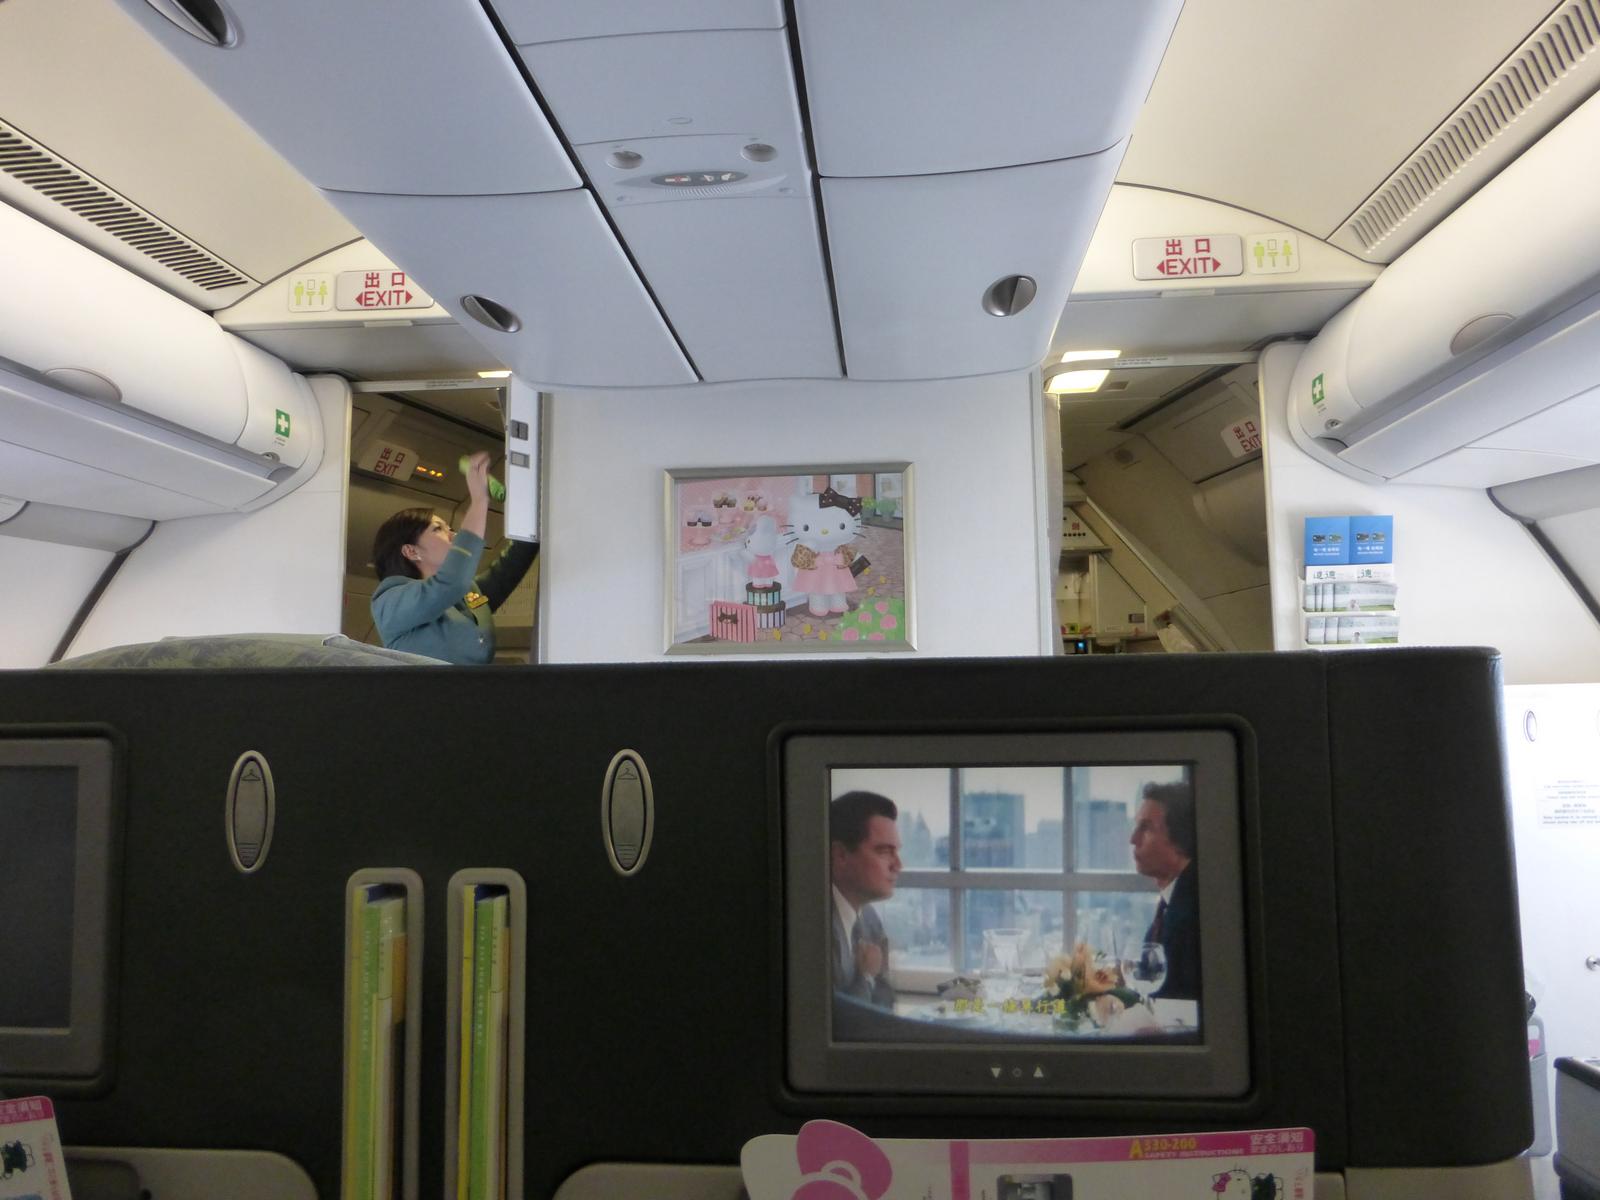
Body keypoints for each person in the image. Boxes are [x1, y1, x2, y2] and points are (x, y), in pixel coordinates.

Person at [369, 451, 538, 664]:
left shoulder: (470, 596)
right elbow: (449, 585)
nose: (454, 535)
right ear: (411, 551)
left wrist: (531, 517)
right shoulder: (390, 603)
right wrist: (479, 501)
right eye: (438, 529)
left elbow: (508, 571)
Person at [1128, 779, 1199, 1001]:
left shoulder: (1197, 912)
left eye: (1146, 828)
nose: (1133, 839)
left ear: (1180, 838)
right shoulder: (1175, 899)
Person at [829, 790, 901, 1008]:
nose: (898, 865)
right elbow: (833, 1024)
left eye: (896, 851)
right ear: (840, 855)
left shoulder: (869, 918)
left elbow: (886, 1003)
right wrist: (866, 977)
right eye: (884, 852)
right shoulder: (809, 924)